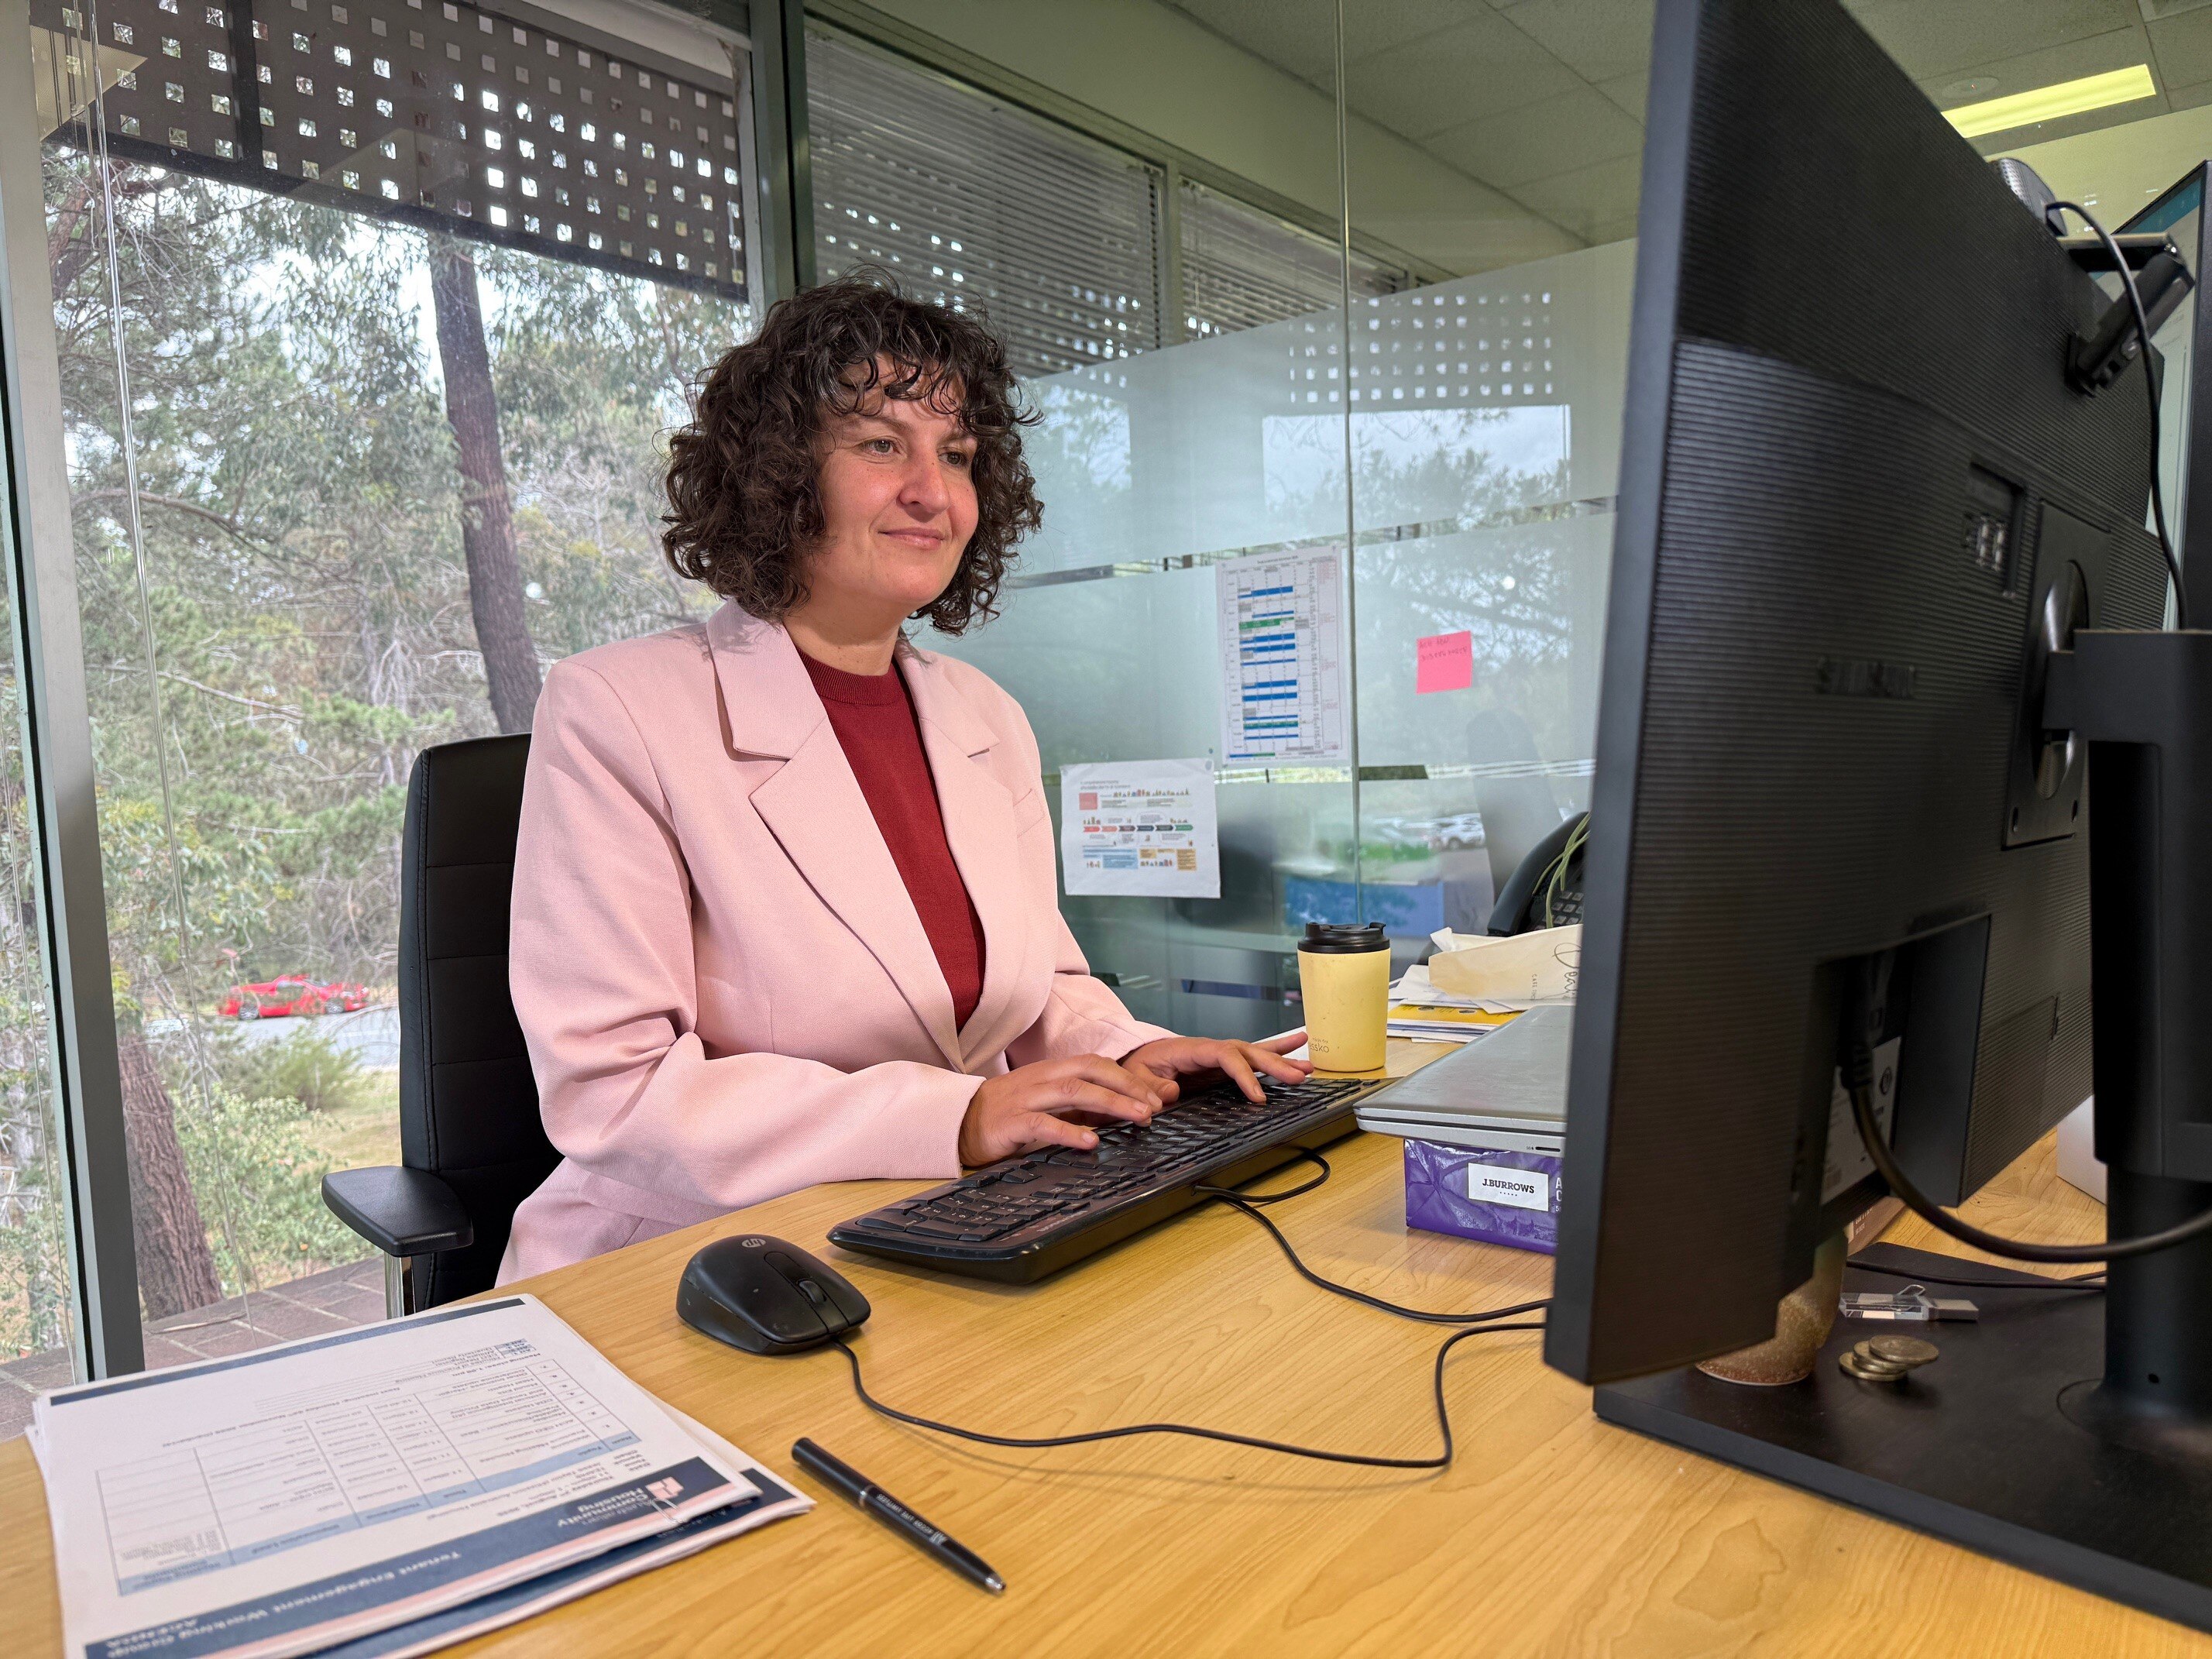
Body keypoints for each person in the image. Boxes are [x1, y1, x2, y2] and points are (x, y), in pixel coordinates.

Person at [496, 279, 1311, 1280]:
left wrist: (1126, 1054)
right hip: (691, 1270)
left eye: (958, 454)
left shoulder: (984, 715)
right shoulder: (619, 710)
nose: (934, 489)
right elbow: (613, 1092)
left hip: (943, 1232)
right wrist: (957, 1115)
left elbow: (1041, 984)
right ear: (779, 470)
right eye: (883, 444)